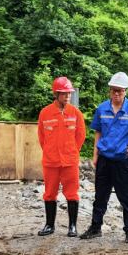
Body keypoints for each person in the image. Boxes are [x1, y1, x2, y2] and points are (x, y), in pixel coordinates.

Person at [80, 72, 128, 243]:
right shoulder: (102, 109)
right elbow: (98, 131)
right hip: (104, 159)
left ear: (125, 91)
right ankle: (95, 227)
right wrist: (95, 154)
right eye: (114, 91)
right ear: (110, 91)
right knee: (100, 196)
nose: (117, 94)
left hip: (122, 160)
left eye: (120, 91)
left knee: (126, 196)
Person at [36, 76, 86, 237]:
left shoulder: (75, 113)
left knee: (72, 193)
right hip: (51, 162)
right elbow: (42, 137)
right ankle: (49, 225)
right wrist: (50, 151)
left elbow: (81, 136)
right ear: (56, 94)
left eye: (69, 93)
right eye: (64, 93)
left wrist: (71, 151)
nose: (67, 96)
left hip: (70, 162)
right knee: (49, 193)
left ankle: (72, 226)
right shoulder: (45, 113)